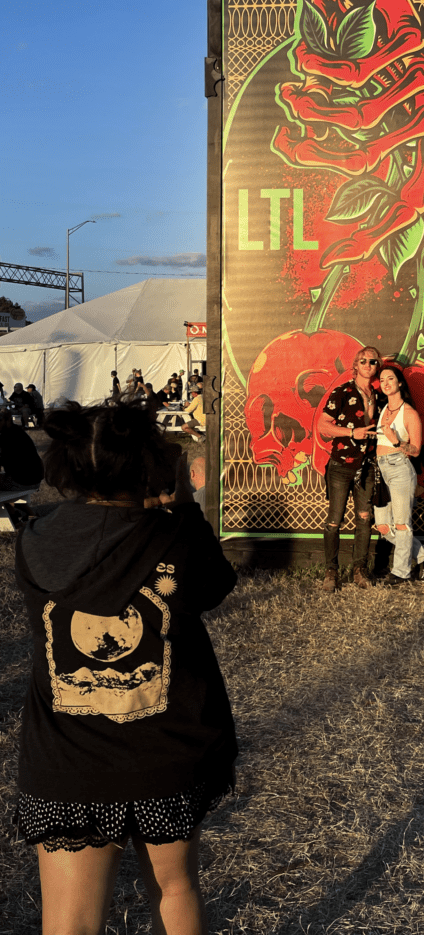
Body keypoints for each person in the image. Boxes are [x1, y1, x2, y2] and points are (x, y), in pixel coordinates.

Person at [13, 399, 237, 935]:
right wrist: (184, 506)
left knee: (69, 922)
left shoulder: (35, 541)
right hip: (166, 751)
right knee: (174, 888)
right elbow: (215, 585)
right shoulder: (174, 536)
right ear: (149, 463)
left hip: (66, 759)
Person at [317, 345, 382, 591]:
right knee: (334, 520)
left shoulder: (380, 396)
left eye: (373, 362)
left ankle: (359, 570)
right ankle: (331, 572)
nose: (368, 365)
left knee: (365, 519)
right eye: (363, 361)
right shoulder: (342, 392)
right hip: (341, 465)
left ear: (378, 367)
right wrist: (352, 432)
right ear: (355, 365)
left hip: (367, 466)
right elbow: (323, 426)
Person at [373, 364, 424, 585]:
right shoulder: (382, 409)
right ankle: (423, 554)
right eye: (382, 380)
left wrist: (397, 441)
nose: (386, 383)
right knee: (383, 527)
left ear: (400, 383)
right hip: (380, 468)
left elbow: (416, 450)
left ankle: (400, 572)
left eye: (390, 379)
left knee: (402, 523)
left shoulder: (409, 413)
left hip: (400, 468)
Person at [0, 409, 44, 490]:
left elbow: (4, 460)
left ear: (8, 420)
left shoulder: (7, 436)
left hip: (23, 481)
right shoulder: (18, 431)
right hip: (35, 479)